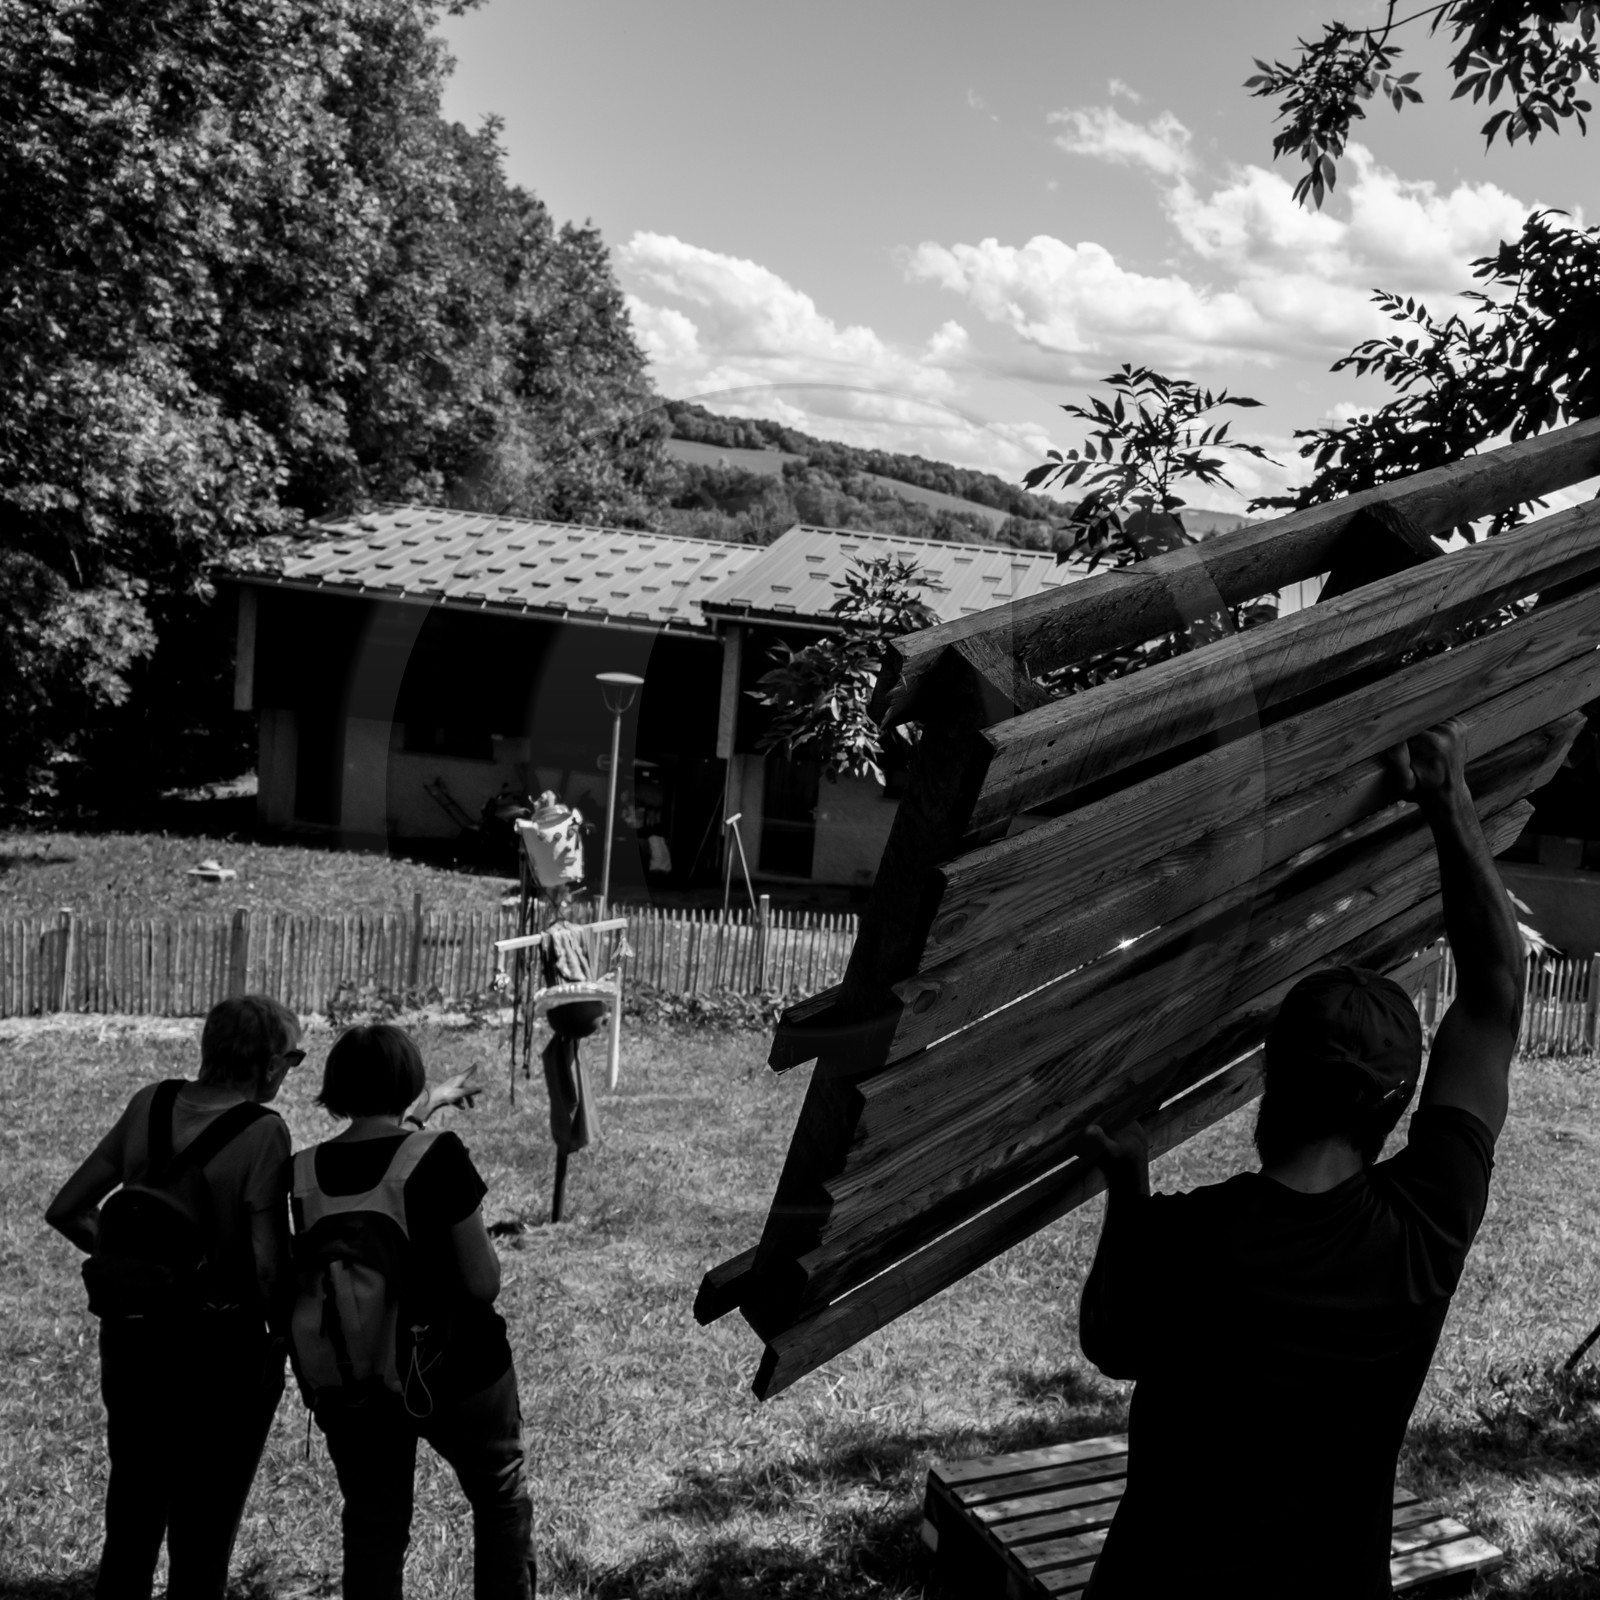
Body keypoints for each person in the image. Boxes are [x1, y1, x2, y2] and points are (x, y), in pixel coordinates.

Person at [1077, 720, 1523, 1599]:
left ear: (1270, 1078)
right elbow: (1493, 997)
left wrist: (1127, 1191)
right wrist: (1448, 797)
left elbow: (1111, 1344)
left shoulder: (1187, 1237)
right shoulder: (1425, 1228)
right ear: (1396, 1105)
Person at [45, 994, 303, 1600]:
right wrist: (289, 1340)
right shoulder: (263, 1132)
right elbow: (269, 1268)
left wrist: (144, 1270)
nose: (290, 1071)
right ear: (269, 1063)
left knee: (131, 1518)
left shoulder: (150, 1103)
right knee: (203, 1537)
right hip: (219, 1352)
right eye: (293, 1059)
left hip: (132, 1337)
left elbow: (68, 1209)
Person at [297, 1024, 536, 1600]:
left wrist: (430, 1103)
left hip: (357, 1377)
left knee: (373, 1524)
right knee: (499, 1495)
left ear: (335, 1087)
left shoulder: (303, 1173)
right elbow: (481, 1284)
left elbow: (381, 1160)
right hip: (457, 1370)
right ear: (409, 1081)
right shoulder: (439, 1155)